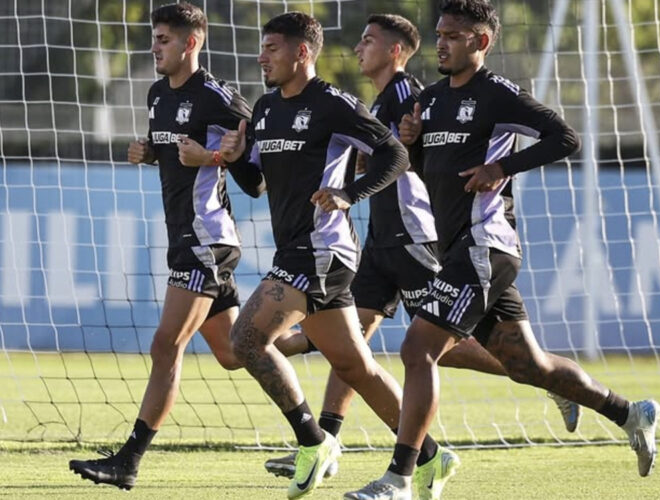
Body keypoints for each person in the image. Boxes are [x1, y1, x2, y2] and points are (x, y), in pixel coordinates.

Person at [346, 1, 660, 499]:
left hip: (485, 243)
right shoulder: (428, 102)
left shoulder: (497, 95)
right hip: (456, 250)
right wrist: (412, 145)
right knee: (527, 366)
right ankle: (629, 413)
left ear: (481, 42)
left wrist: (503, 168)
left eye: (454, 35)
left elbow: (566, 137)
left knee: (416, 349)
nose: (443, 43)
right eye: (441, 34)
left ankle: (400, 479)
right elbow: (430, 171)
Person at [263, 14, 580, 494]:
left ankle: (542, 379)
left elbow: (412, 157)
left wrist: (381, 168)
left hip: (414, 238)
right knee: (354, 350)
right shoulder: (383, 100)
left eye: (368, 41)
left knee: (435, 349)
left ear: (395, 51)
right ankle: (326, 443)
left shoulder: (412, 97)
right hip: (380, 241)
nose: (357, 49)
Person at [218, 11, 454, 500]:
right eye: (261, 49)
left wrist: (351, 193)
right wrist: (238, 156)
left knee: (243, 339)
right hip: (300, 249)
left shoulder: (333, 104)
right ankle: (430, 455)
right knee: (353, 366)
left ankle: (313, 442)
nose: (262, 57)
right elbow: (256, 185)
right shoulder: (264, 109)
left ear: (302, 52)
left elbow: (396, 155)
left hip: (321, 248)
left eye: (272, 49)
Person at [68, 3, 302, 490]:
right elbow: (178, 156)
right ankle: (313, 430)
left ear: (190, 43)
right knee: (235, 353)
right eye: (154, 39)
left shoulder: (220, 98)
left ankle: (128, 462)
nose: (155, 48)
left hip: (207, 240)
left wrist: (216, 155)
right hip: (185, 238)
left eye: (164, 40)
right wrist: (149, 152)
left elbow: (255, 178)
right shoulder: (157, 95)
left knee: (164, 345)